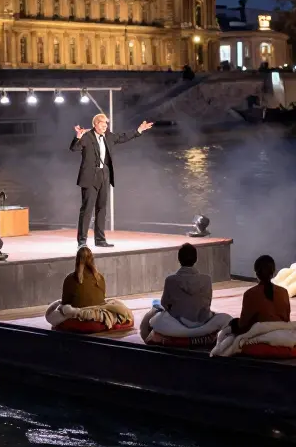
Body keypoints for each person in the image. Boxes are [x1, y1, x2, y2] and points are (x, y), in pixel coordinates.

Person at [70, 112, 154, 248]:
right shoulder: (87, 136)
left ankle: (100, 240)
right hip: (90, 176)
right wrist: (78, 137)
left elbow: (123, 137)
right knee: (87, 209)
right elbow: (74, 148)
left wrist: (139, 130)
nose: (105, 126)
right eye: (102, 123)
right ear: (95, 124)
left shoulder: (108, 136)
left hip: (104, 175)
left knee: (102, 208)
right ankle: (82, 241)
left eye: (106, 124)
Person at [230, 255, 290, 335]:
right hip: (283, 331)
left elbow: (243, 324)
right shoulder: (284, 292)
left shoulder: (250, 294)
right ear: (274, 272)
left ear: (256, 274)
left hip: (261, 332)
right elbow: (287, 319)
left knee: (232, 323)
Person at [160, 243, 213, 327]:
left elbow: (164, 303)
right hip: (201, 321)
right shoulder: (207, 280)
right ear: (196, 259)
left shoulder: (170, 280)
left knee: (155, 312)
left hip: (177, 323)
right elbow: (208, 303)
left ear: (179, 259)